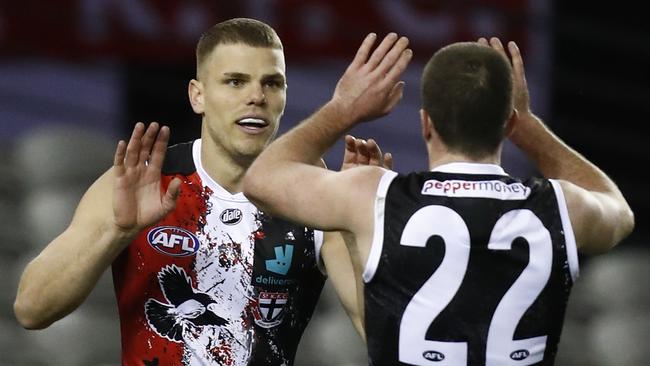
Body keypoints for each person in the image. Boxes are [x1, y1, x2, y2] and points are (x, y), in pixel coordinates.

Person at [242, 33, 635, 365]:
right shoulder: (561, 206)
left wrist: (343, 109)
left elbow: (261, 179)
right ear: (508, 122)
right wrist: (529, 129)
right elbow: (618, 210)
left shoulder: (375, 196)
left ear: (425, 122)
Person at [13, 18, 386, 365]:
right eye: (235, 81)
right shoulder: (139, 181)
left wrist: (360, 228)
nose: (256, 96)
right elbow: (31, 309)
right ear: (198, 96)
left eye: (271, 83)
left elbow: (385, 342)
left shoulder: (317, 202)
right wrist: (117, 231)